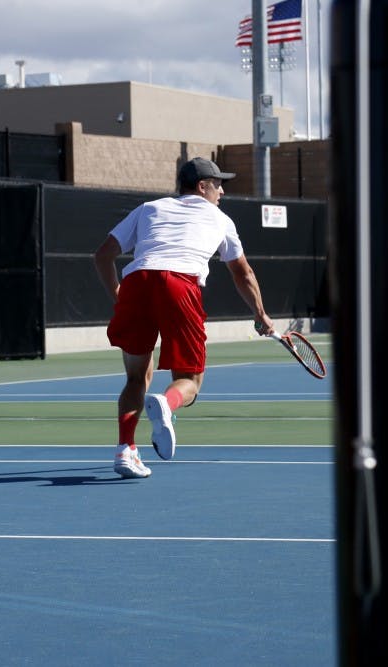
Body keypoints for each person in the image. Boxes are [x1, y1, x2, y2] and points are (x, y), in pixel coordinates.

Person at [93, 157, 275, 479]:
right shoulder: (220, 219)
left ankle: (125, 450)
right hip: (179, 284)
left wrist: (121, 296)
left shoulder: (149, 208)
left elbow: (103, 255)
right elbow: (242, 273)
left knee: (136, 378)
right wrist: (260, 314)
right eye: (218, 184)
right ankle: (166, 402)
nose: (221, 191)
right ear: (202, 186)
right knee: (190, 380)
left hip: (137, 282)